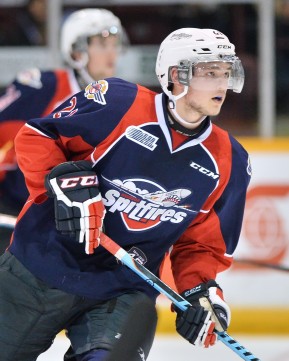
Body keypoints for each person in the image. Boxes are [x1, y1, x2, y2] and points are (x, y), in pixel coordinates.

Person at [0, 28, 251, 361]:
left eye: (225, 73)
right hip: (40, 266)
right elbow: (37, 137)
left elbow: (201, 246)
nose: (221, 84)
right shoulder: (120, 102)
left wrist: (202, 292)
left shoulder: (230, 160)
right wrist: (60, 182)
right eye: (209, 73)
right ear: (176, 75)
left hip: (122, 290)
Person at [0, 8, 125, 254]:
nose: (111, 52)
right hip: (16, 209)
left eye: (114, 44)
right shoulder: (42, 86)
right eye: (101, 44)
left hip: (68, 219)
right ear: (76, 51)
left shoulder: (119, 100)